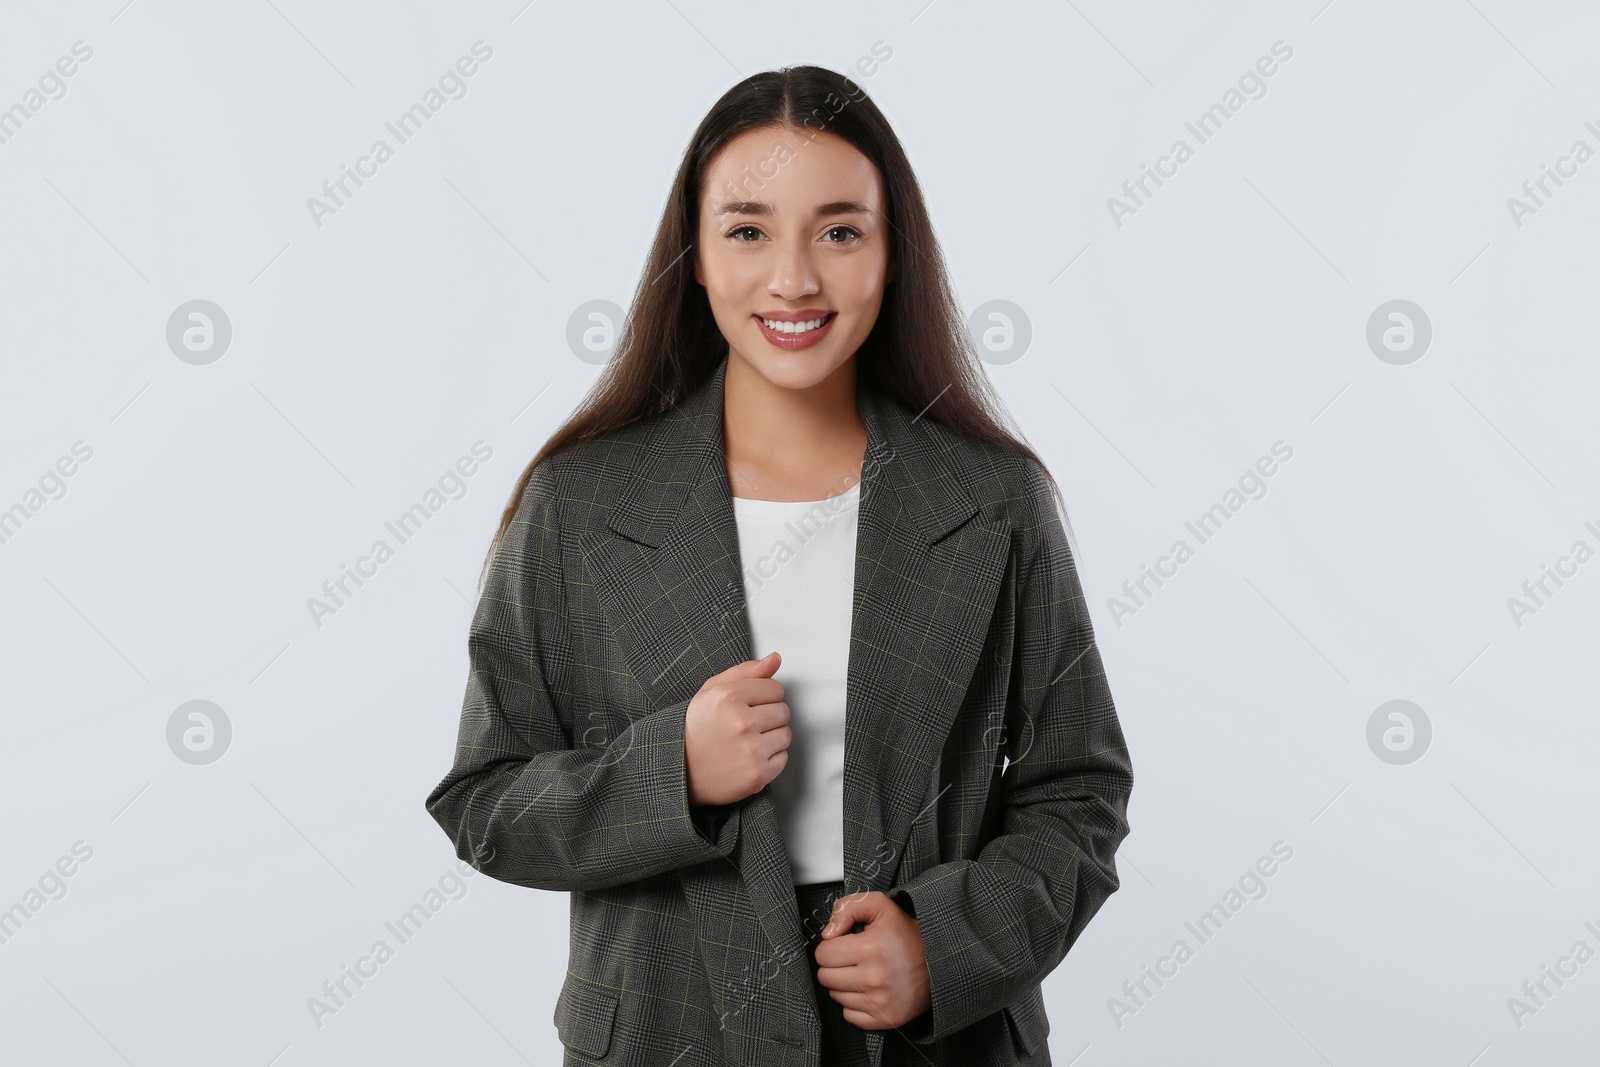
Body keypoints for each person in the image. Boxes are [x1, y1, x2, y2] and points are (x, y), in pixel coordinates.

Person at [425, 64, 1133, 1067]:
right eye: (748, 230)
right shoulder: (580, 503)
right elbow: (484, 802)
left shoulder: (994, 497)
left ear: (892, 253)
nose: (794, 278)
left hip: (936, 1037)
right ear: (697, 256)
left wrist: (948, 940)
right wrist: (671, 771)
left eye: (839, 230)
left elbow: (1078, 786)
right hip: (669, 1026)